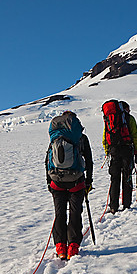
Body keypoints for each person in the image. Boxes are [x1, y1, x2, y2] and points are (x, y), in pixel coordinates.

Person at [47, 111, 93, 259]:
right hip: (77, 182)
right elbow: (89, 161)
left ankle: (60, 247)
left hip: (57, 182)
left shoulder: (55, 138)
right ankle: (73, 247)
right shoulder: (81, 138)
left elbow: (47, 160)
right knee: (75, 214)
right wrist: (89, 181)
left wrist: (49, 181)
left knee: (59, 214)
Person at [103, 101, 137, 212]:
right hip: (127, 150)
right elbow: (135, 136)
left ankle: (113, 206)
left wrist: (108, 151)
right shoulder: (130, 119)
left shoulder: (109, 119)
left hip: (114, 150)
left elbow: (105, 137)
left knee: (114, 179)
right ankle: (126, 205)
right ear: (125, 108)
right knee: (127, 177)